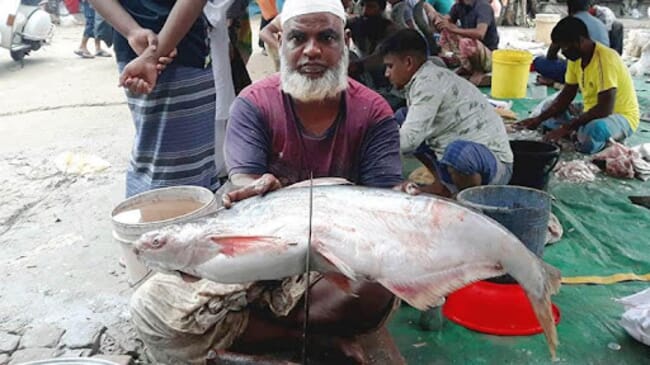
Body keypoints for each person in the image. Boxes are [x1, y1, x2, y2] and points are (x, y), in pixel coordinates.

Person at [128, 1, 415, 364]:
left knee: (376, 289)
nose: (312, 50)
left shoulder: (374, 112)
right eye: (299, 38)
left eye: (326, 37)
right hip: (251, 253)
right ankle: (313, 341)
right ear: (280, 40)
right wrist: (252, 189)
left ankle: (249, 334)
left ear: (345, 41)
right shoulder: (253, 103)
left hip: (331, 262)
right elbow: (244, 185)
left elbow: (381, 211)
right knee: (152, 311)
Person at [89, 0, 220, 197]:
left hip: (137, 45)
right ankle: (160, 222)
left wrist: (132, 32)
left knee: (154, 156)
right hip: (178, 43)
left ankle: (148, 220)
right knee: (180, 170)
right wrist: (157, 51)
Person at [380, 29, 513, 196]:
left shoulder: (428, 83)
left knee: (457, 153)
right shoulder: (422, 78)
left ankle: (470, 200)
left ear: (408, 63)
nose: (387, 74)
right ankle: (442, 186)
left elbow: (408, 141)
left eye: (390, 66)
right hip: (462, 149)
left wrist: (372, 149)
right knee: (402, 117)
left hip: (495, 165)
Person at [518, 17, 639, 154]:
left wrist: (567, 128)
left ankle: (584, 137)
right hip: (591, 110)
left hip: (619, 116)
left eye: (565, 47)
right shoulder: (575, 59)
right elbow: (567, 95)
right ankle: (578, 135)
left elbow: (605, 109)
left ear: (580, 41)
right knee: (548, 109)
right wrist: (538, 119)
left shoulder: (605, 59)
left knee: (594, 129)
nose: (563, 52)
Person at [533, 0, 610, 85]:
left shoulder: (570, 23)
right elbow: (569, 92)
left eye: (564, 47)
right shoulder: (599, 23)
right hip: (593, 68)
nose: (563, 51)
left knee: (539, 61)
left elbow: (551, 54)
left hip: (588, 70)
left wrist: (554, 83)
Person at [434, 0, 500, 85]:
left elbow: (480, 33)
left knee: (466, 42)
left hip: (488, 55)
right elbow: (445, 21)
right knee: (446, 31)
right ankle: (466, 66)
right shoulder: (459, 6)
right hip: (470, 47)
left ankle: (478, 70)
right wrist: (436, 16)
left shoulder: (483, 7)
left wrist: (453, 29)